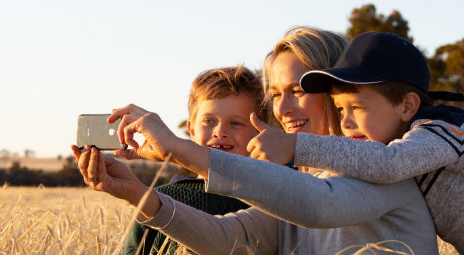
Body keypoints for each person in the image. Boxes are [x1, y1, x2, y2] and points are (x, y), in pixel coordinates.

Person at [73, 27, 439, 254]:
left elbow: (317, 206)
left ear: (336, 88)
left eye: (298, 90)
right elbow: (229, 238)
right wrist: (137, 194)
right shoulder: (303, 180)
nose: (286, 108)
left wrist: (178, 148)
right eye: (276, 95)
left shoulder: (382, 168)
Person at [251, 32, 464, 253]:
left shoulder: (440, 130)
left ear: (408, 106)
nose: (346, 122)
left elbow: (387, 163)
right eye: (340, 109)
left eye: (358, 107)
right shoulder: (398, 139)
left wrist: (296, 145)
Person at [121, 65, 266, 255]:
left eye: (235, 123)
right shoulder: (158, 200)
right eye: (209, 121)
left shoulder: (268, 202)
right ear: (191, 129)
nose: (220, 132)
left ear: (259, 132)